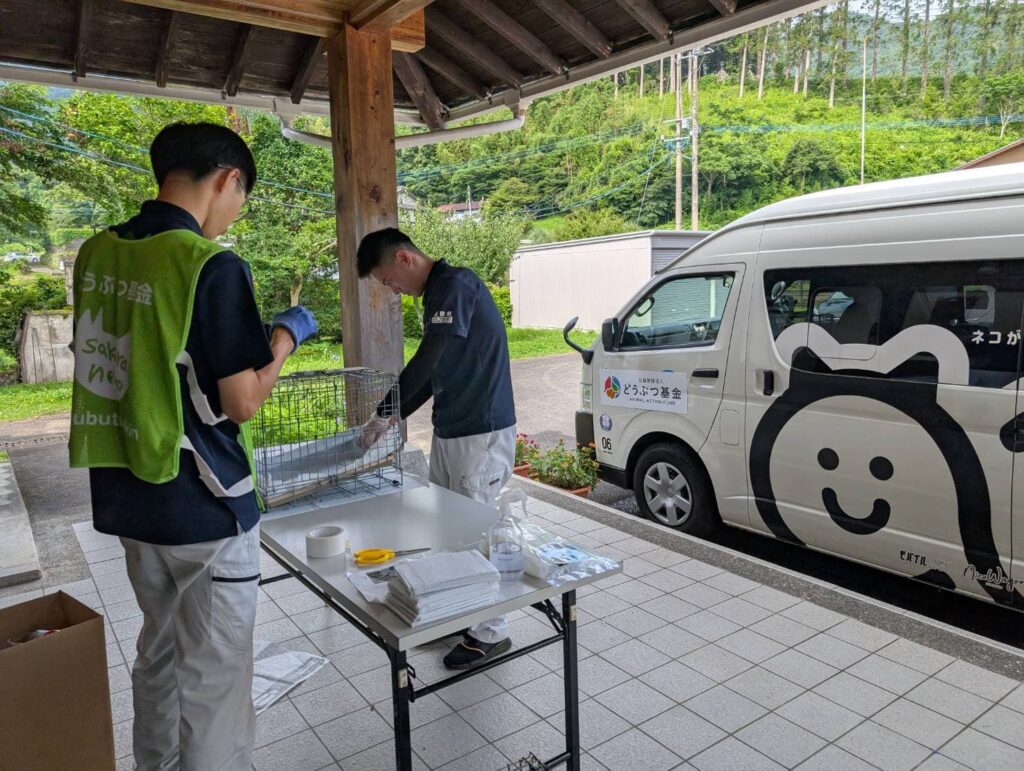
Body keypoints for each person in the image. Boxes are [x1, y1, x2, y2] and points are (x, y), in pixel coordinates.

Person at [68, 122, 318, 770]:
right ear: (227, 179)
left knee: (158, 655)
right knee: (215, 684)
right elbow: (242, 400)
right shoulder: (207, 264)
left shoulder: (98, 253)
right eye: (242, 198)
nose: (236, 215)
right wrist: (286, 336)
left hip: (128, 496)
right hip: (206, 505)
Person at [357, 228, 517, 670]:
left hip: (480, 433)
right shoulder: (436, 297)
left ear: (405, 259)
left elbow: (428, 356)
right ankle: (462, 611)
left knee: (475, 531)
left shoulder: (456, 285)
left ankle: (491, 631)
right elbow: (432, 373)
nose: (392, 290)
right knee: (448, 529)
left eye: (388, 280)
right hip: (451, 429)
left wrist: (385, 408)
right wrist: (388, 417)